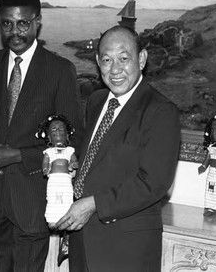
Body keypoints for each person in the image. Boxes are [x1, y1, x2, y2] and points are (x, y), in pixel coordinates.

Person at [0, 0, 84, 272]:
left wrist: (18, 155)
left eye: (23, 23)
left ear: (38, 22)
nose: (15, 32)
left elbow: (73, 137)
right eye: (7, 24)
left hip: (32, 202)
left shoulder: (60, 70)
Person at [57, 25, 181, 271]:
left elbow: (153, 183)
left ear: (142, 59)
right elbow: (100, 157)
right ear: (97, 62)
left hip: (126, 249)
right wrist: (74, 166)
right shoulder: (96, 101)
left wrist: (93, 204)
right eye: (107, 60)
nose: (115, 70)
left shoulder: (160, 111)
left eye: (124, 59)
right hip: (83, 241)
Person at [35, 114, 78, 227]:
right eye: (54, 130)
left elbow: (75, 162)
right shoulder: (49, 152)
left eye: (61, 129)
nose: (58, 131)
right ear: (49, 137)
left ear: (67, 135)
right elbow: (45, 163)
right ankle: (52, 217)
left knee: (67, 197)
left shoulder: (69, 151)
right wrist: (46, 169)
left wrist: (72, 166)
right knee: (53, 197)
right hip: (53, 179)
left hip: (66, 179)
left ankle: (67, 216)